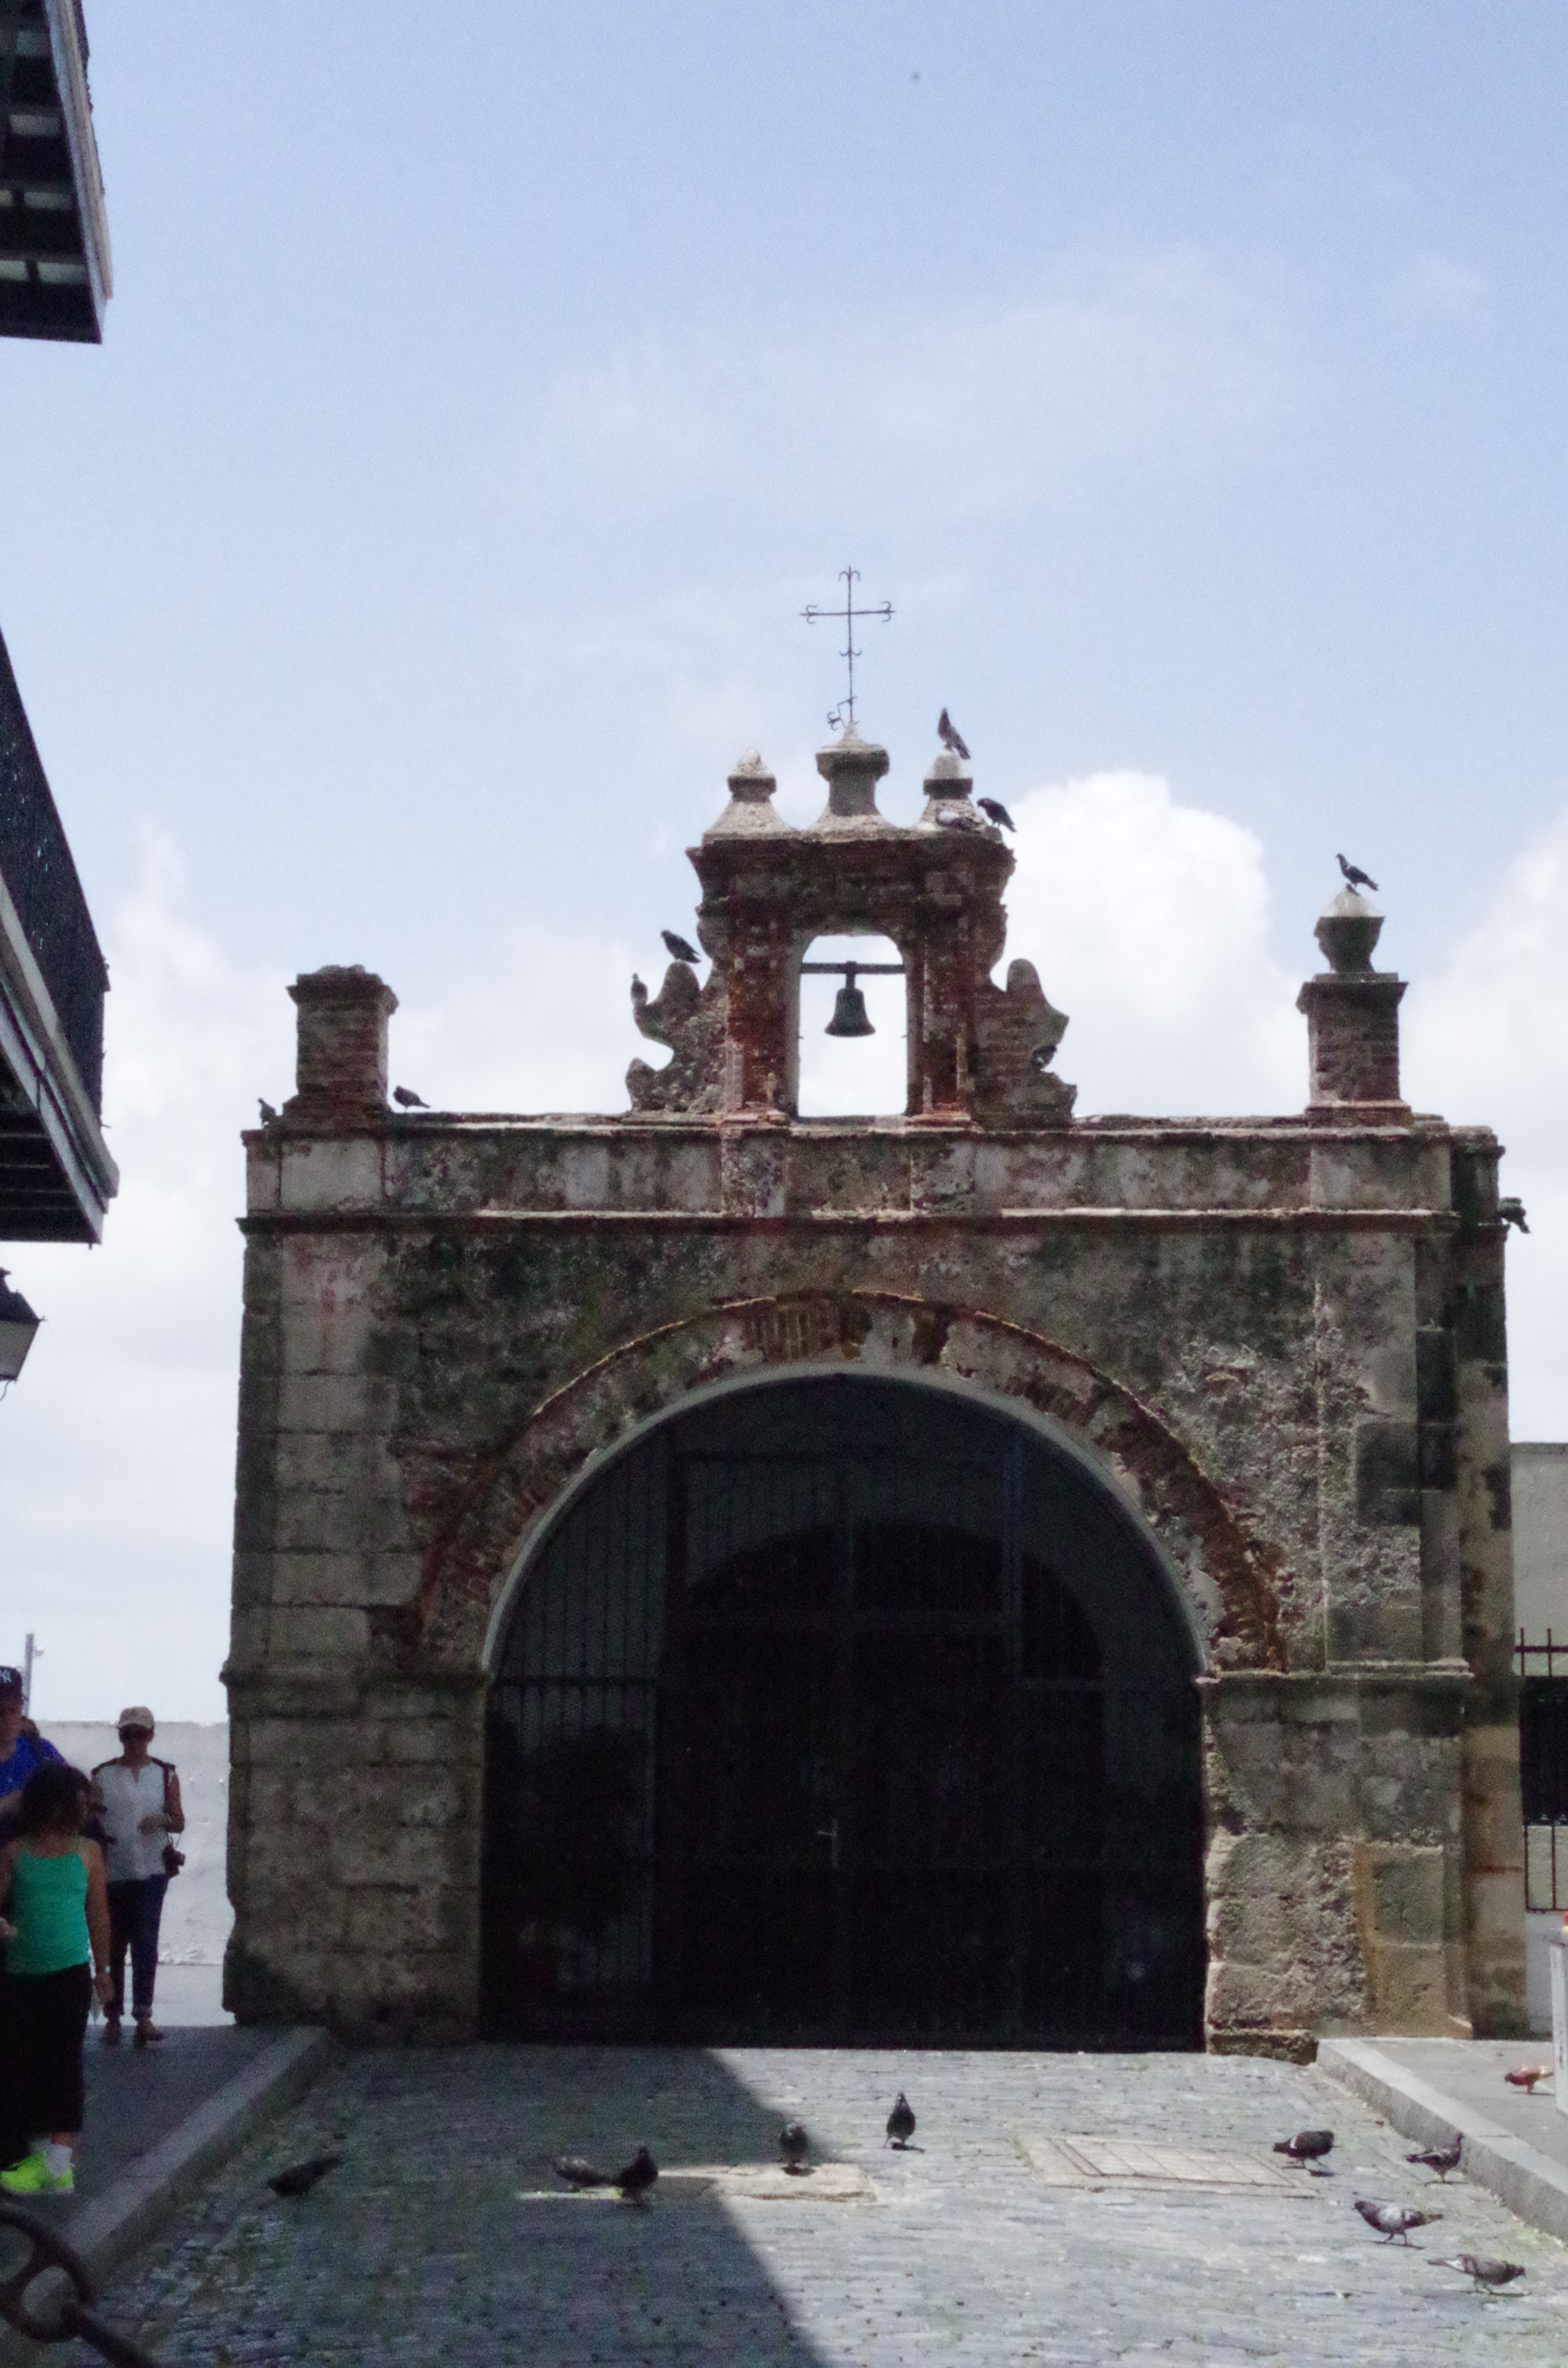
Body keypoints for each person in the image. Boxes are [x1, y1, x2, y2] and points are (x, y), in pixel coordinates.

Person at [0, 1760, 113, 2195]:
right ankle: (36, 2159)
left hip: (69, 1973)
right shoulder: (14, 1852)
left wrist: (103, 1972)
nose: (82, 1811)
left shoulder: (89, 1853)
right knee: (24, 2062)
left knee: (64, 2061)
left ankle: (59, 2162)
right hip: (21, 1974)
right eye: (76, 1803)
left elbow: (99, 1916)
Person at [89, 1708, 184, 2048]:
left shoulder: (165, 1774)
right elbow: (91, 1820)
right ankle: (113, 2016)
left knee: (146, 1943)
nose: (133, 1741)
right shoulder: (102, 1775)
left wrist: (161, 1820)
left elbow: (179, 1821)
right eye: (127, 1734)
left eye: (139, 1734)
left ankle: (143, 2015)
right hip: (113, 1871)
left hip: (151, 1871)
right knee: (114, 1945)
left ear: (150, 1736)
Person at [0, 1666, 63, 1844]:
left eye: (13, 1710)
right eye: (0, 1711)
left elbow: (75, 1797)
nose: (7, 1719)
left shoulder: (42, 1751)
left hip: (35, 1857)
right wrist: (8, 1804)